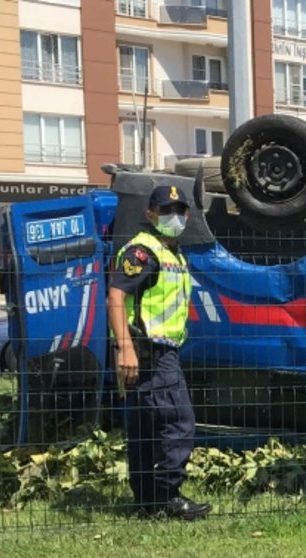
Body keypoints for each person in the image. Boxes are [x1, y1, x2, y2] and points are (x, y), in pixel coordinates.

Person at [107, 184, 211, 520]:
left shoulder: (171, 252)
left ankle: (147, 502)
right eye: (166, 210)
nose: (174, 216)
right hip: (148, 350)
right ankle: (167, 495)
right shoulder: (143, 251)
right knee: (179, 422)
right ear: (150, 214)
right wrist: (125, 347)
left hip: (156, 350)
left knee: (146, 428)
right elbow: (116, 297)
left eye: (179, 210)